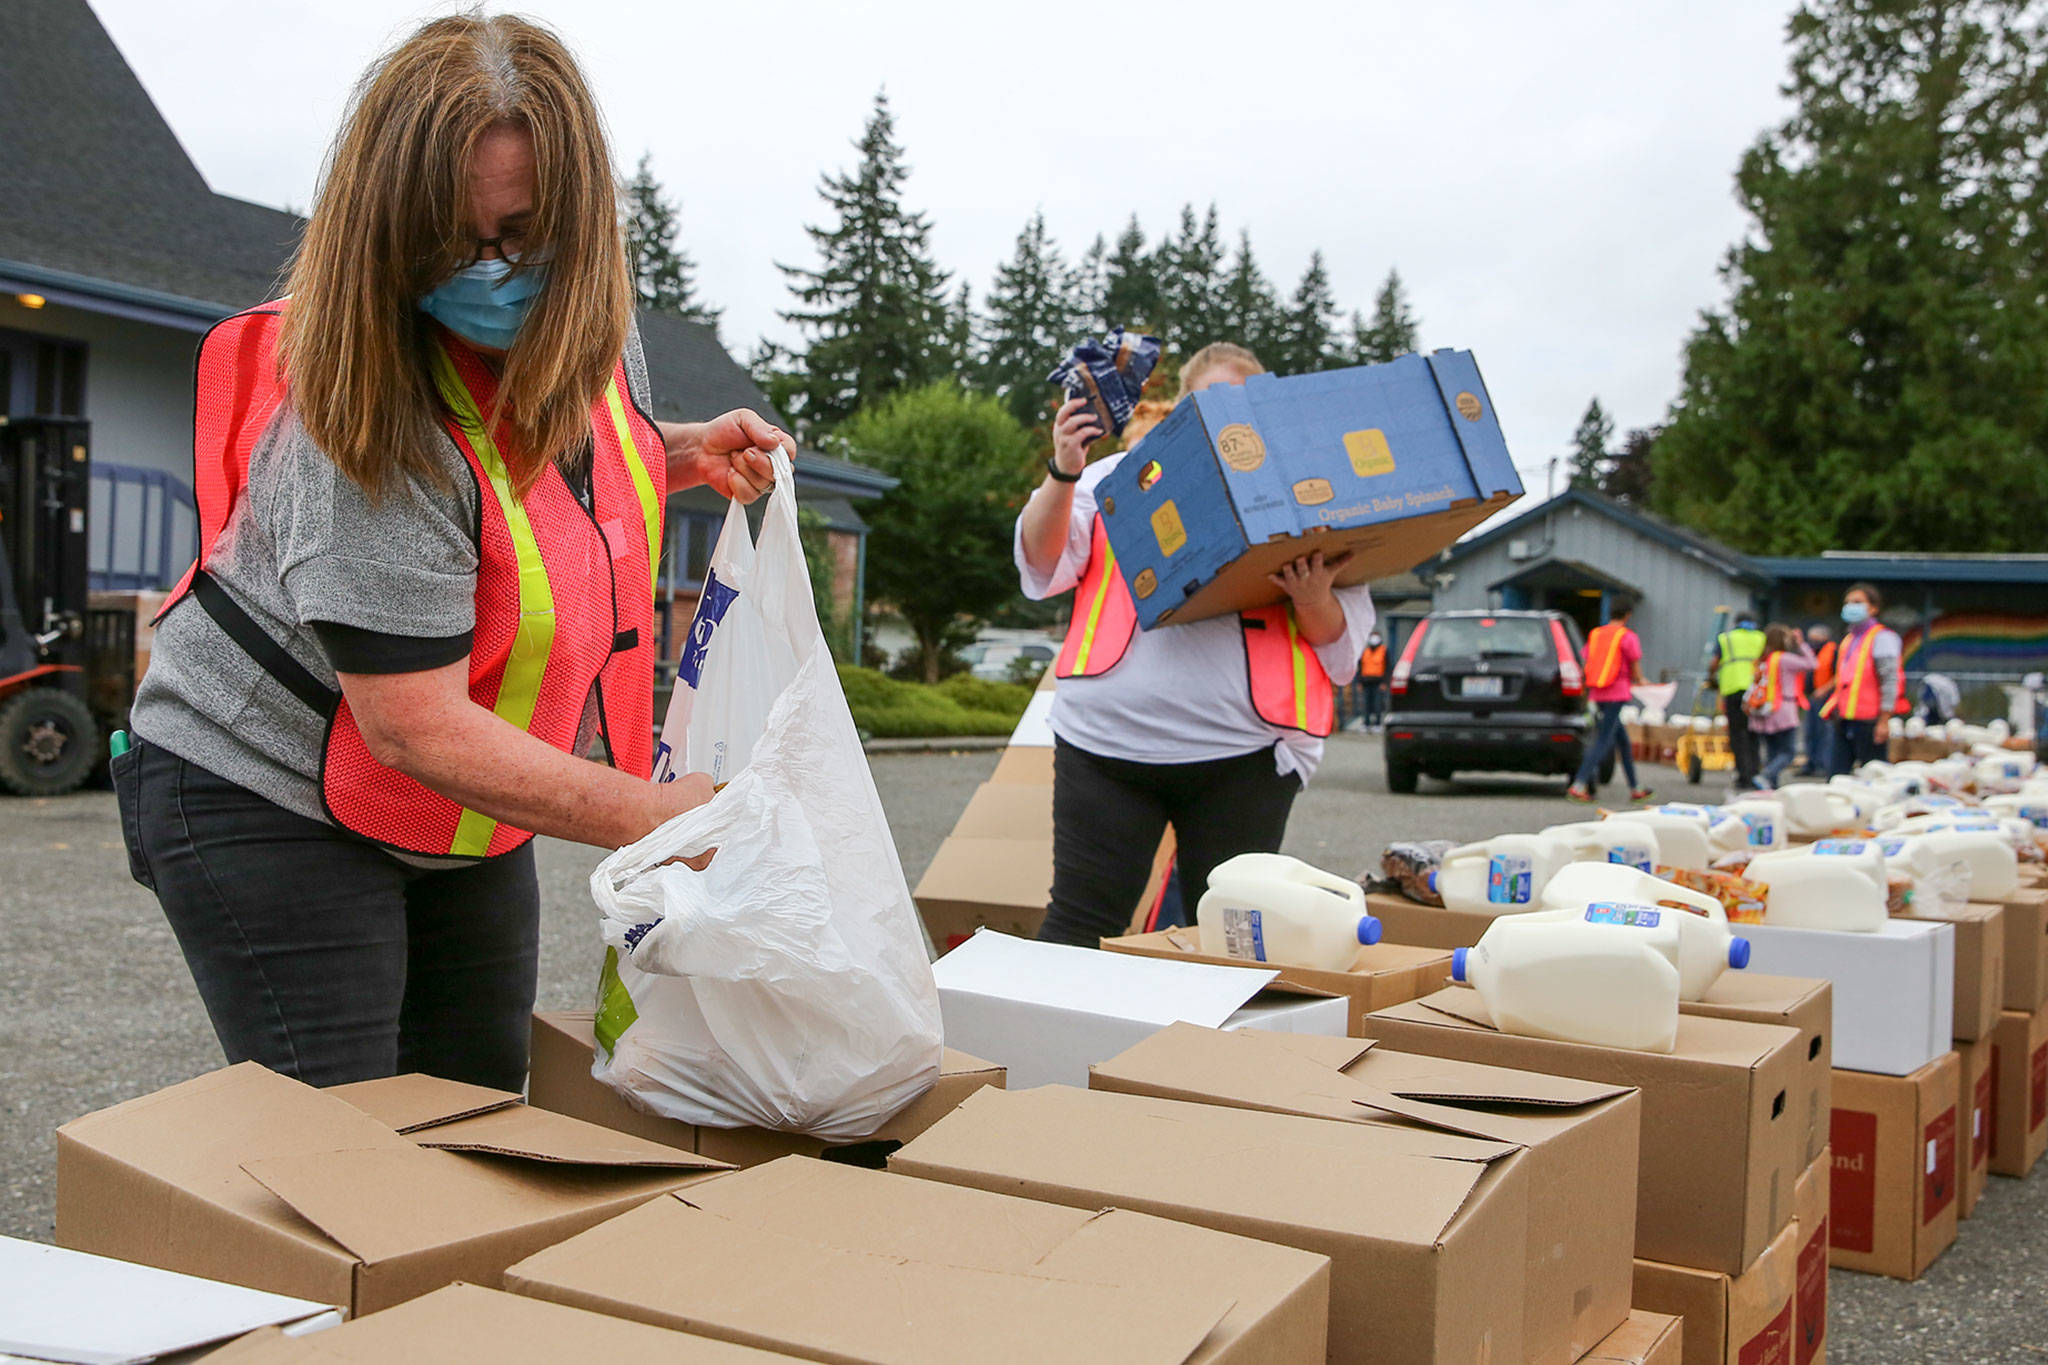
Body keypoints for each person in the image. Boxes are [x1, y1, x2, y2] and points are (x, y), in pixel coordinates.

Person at [113, 15, 785, 1091]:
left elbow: (527, 498)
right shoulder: (361, 426)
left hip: (453, 803)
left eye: (518, 235)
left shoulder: (591, 339)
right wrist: (652, 819)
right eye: (447, 241)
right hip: (268, 785)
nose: (486, 273)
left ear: (577, 220)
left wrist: (682, 454)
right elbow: (411, 722)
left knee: (475, 1111)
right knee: (353, 1150)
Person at [1016, 342, 1376, 947]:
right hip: (1107, 745)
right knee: (1081, 920)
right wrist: (1064, 470)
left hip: (1243, 755)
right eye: (1203, 403)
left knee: (1230, 932)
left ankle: (1200, 1045)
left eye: (1240, 406)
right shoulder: (1116, 478)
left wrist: (1313, 597)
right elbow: (1041, 565)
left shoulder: (1309, 495)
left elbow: (1342, 656)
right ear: (1179, 408)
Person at [1566, 597, 1653, 803]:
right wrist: (1642, 681)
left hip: (1597, 692)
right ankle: (1578, 784)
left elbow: (1586, 658)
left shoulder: (1596, 634)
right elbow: (1635, 665)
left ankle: (1635, 788)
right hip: (1617, 693)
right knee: (1603, 740)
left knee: (1622, 741)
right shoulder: (1627, 636)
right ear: (1627, 615)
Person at [1821, 582, 1907, 773]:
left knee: (1874, 775)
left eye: (1857, 602)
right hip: (1844, 719)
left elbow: (1890, 680)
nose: (1851, 606)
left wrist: (1884, 720)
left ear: (1873, 608)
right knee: (1836, 775)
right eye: (1848, 602)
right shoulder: (1849, 639)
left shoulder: (1882, 638)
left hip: (1870, 721)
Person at [1747, 624, 1815, 789]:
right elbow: (1812, 664)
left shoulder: (1762, 660)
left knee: (1772, 752)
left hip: (1764, 710)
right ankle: (1766, 776)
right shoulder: (1784, 659)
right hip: (1783, 708)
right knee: (1788, 752)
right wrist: (1800, 644)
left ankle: (1770, 787)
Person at [1708, 610, 1767, 791]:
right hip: (1755, 692)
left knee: (1737, 733)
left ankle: (1743, 775)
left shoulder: (1726, 638)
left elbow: (1714, 663)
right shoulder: (1761, 638)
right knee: (1753, 733)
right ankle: (1755, 773)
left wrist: (1711, 678)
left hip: (1733, 688)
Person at [1798, 623, 1835, 775]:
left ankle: (1823, 765)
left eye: (1815, 638)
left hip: (1826, 697)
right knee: (1810, 732)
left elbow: (1839, 674)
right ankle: (1811, 764)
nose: (1812, 641)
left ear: (1824, 637)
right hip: (1811, 698)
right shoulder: (1812, 651)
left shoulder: (1833, 651)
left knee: (1824, 733)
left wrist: (1824, 689)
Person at [1357, 630, 1389, 729]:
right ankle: (1366, 723)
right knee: (1366, 704)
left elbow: (1387, 667)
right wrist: (1360, 682)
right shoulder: (1365, 651)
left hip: (1378, 682)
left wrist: (1385, 682)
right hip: (1366, 682)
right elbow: (1360, 667)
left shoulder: (1384, 650)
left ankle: (1377, 724)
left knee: (1378, 704)